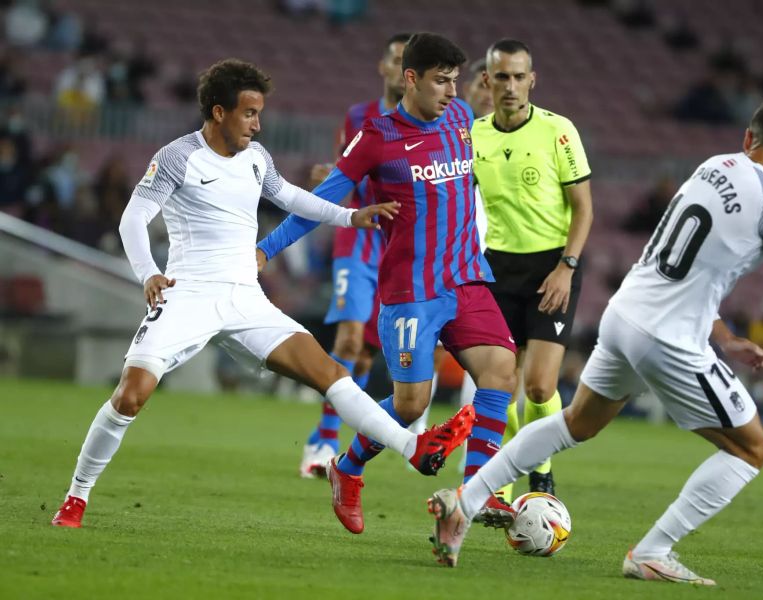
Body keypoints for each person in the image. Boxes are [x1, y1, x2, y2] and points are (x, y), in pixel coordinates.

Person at [428, 100, 763, 582]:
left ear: (748, 139)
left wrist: (725, 337)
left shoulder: (712, 167)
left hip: (625, 315)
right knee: (751, 450)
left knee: (576, 423)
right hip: (669, 340)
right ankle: (652, 550)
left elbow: (692, 266)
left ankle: (466, 500)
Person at [49, 58, 475, 529]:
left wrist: (350, 216)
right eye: (249, 112)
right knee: (131, 397)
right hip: (187, 295)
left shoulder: (256, 158)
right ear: (218, 112)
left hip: (245, 298)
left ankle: (411, 447)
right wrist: (148, 272)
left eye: (259, 112)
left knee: (330, 372)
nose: (258, 122)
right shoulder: (177, 157)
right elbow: (133, 219)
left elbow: (291, 197)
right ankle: (76, 497)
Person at [257, 33, 518, 535]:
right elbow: (321, 202)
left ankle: (477, 493)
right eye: (441, 81)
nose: (450, 92)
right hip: (411, 291)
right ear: (411, 78)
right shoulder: (377, 138)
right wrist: (266, 250)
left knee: (501, 371)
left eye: (455, 81)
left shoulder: (463, 118)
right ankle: (347, 467)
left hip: (465, 278)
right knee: (410, 405)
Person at [471, 39, 593, 499]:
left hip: (553, 265)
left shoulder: (558, 131)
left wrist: (566, 267)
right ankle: (502, 482)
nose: (510, 86)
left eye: (519, 76)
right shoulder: (474, 136)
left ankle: (540, 469)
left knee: (540, 387)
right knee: (500, 384)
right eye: (501, 76)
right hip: (497, 267)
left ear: (532, 80)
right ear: (487, 81)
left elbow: (583, 209)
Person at [299, 32, 412, 479]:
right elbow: (349, 172)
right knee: (347, 340)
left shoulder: (426, 123)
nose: (404, 70)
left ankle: (334, 436)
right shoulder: (358, 116)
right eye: (397, 60)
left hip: (396, 244)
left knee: (364, 356)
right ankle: (323, 444)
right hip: (358, 237)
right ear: (384, 68)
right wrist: (331, 178)